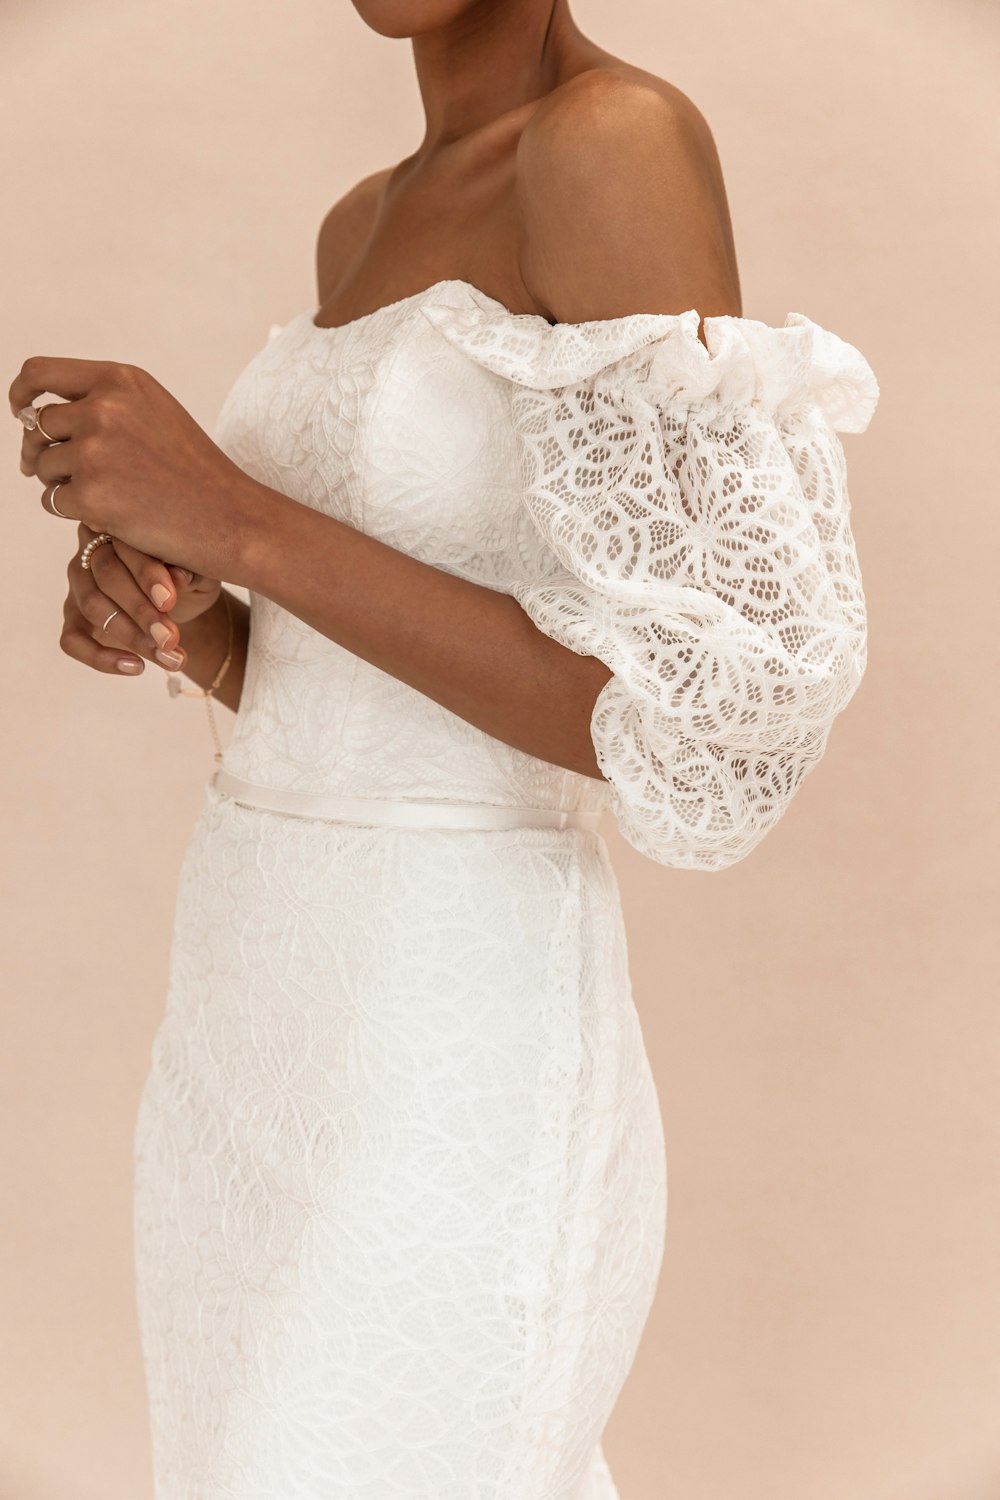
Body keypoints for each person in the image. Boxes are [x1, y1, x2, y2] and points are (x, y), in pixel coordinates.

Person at [10, 1, 879, 1494]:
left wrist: (236, 517)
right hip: (253, 999)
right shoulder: (361, 221)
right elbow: (365, 675)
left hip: (446, 1017)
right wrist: (196, 625)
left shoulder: (613, 146)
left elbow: (696, 705)